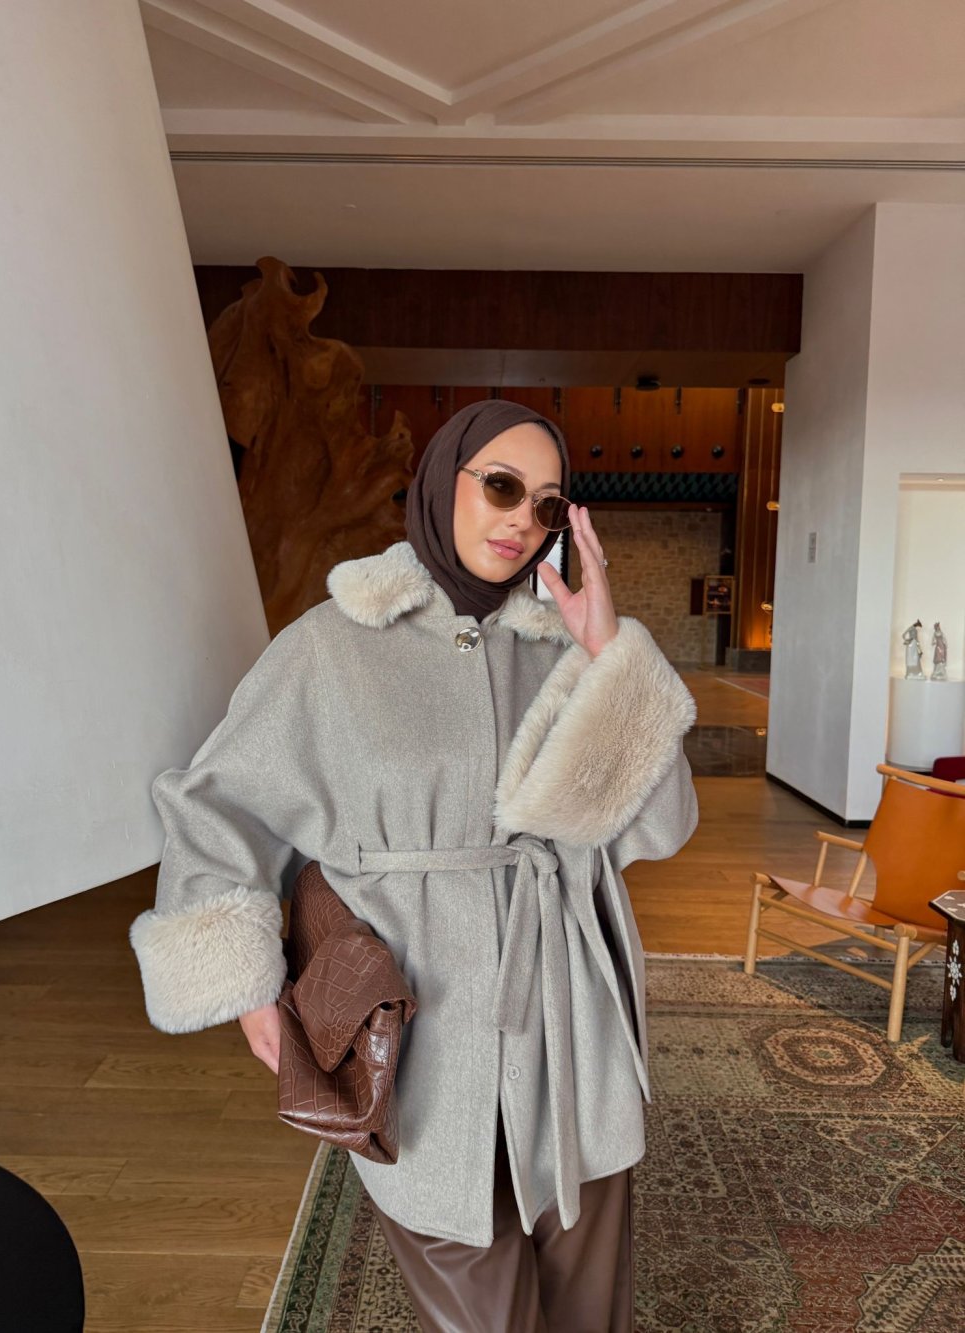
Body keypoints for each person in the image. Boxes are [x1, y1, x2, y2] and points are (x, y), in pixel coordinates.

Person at [131, 399, 699, 1331]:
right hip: (426, 1034)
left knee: (588, 1301)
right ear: (443, 481)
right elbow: (217, 801)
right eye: (502, 486)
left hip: (569, 1029)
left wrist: (609, 656)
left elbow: (662, 827)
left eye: (547, 504)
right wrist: (246, 984)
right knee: (477, 1300)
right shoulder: (330, 647)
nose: (522, 519)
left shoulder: (561, 645)